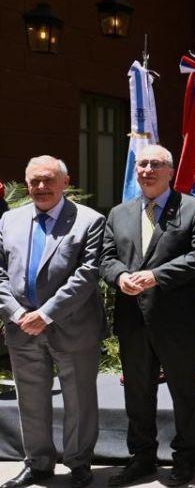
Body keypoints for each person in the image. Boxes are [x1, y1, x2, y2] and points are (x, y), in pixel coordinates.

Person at [100, 145, 195, 487]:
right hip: (133, 318)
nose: (147, 170)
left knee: (184, 393)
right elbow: (105, 258)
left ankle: (185, 457)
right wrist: (120, 276)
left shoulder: (194, 209)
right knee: (137, 392)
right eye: (142, 164)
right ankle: (142, 457)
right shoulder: (118, 213)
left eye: (155, 164)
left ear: (170, 171)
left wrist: (156, 276)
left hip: (178, 320)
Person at [0, 157, 105, 488]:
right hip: (21, 326)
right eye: (34, 182)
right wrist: (16, 313)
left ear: (65, 181)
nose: (40, 187)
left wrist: (45, 314)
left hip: (72, 326)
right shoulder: (8, 220)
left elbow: (87, 275)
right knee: (30, 399)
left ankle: (78, 464)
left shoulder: (90, 221)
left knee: (79, 399)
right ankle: (39, 463)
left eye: (48, 180)